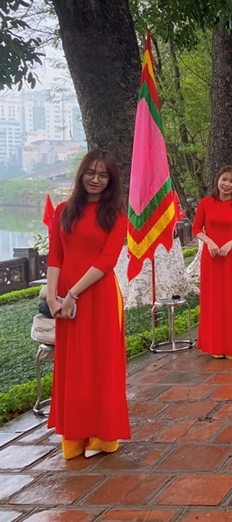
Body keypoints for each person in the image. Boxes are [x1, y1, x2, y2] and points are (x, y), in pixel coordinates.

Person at [47, 150, 130, 459]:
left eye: (103, 175)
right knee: (73, 365)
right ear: (81, 174)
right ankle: (75, 435)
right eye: (91, 173)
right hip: (66, 301)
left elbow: (108, 260)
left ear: (111, 180)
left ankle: (103, 436)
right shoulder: (62, 211)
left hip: (98, 297)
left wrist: (72, 295)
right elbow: (56, 255)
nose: (96, 179)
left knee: (101, 364)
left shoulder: (116, 214)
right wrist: (54, 296)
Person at [193, 165, 232, 359]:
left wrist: (231, 243)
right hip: (210, 258)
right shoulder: (206, 203)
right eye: (224, 179)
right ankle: (215, 345)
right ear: (217, 180)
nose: (227, 184)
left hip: (231, 257)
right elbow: (196, 228)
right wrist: (209, 241)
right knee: (213, 300)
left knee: (231, 300)